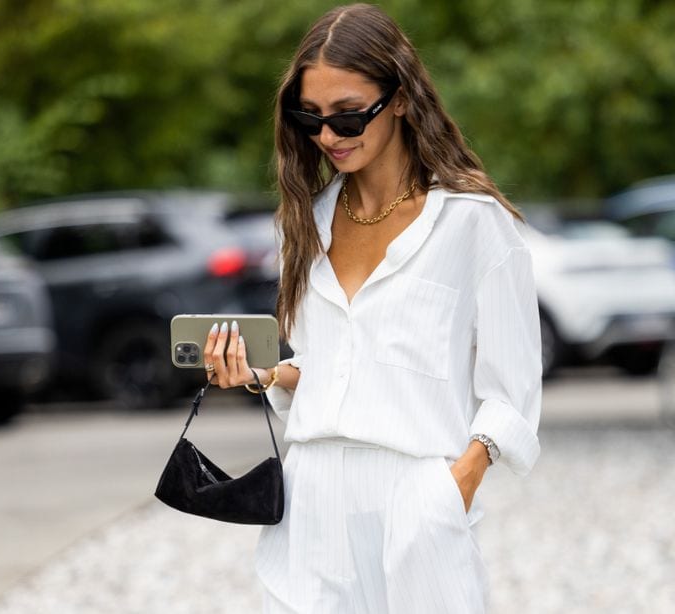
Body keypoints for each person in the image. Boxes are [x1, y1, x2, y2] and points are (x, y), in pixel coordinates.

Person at [200, 4, 542, 612]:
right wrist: (264, 375)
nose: (328, 135)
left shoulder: (472, 223)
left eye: (349, 114)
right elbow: (331, 363)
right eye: (311, 117)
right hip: (308, 505)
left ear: (402, 98)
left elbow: (512, 390)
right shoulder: (304, 223)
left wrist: (454, 484)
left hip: (416, 498)